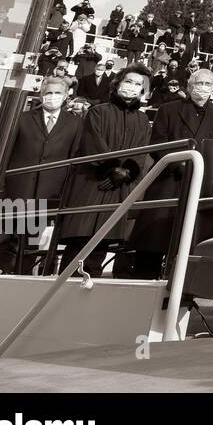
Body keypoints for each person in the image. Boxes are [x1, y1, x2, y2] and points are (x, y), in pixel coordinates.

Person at [124, 67, 213, 279]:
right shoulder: (168, 110)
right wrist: (181, 164)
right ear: (190, 86)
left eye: (208, 84)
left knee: (189, 245)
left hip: (200, 184)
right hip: (169, 182)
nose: (203, 88)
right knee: (153, 244)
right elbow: (158, 144)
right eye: (199, 83)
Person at [55, 64, 153, 276]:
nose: (132, 87)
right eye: (128, 81)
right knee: (79, 240)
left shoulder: (143, 120)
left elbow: (141, 152)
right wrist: (112, 169)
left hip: (118, 188)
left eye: (138, 84)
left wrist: (127, 171)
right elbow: (92, 143)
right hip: (92, 182)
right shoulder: (98, 111)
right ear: (117, 84)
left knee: (102, 242)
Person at [0, 76, 82, 274]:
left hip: (46, 196)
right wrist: (2, 187)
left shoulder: (75, 123)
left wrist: (60, 196)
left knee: (29, 246)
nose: (52, 97)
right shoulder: (23, 119)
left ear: (65, 97)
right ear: (41, 95)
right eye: (48, 93)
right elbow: (5, 155)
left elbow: (73, 160)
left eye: (57, 93)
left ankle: (22, 281)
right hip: (14, 191)